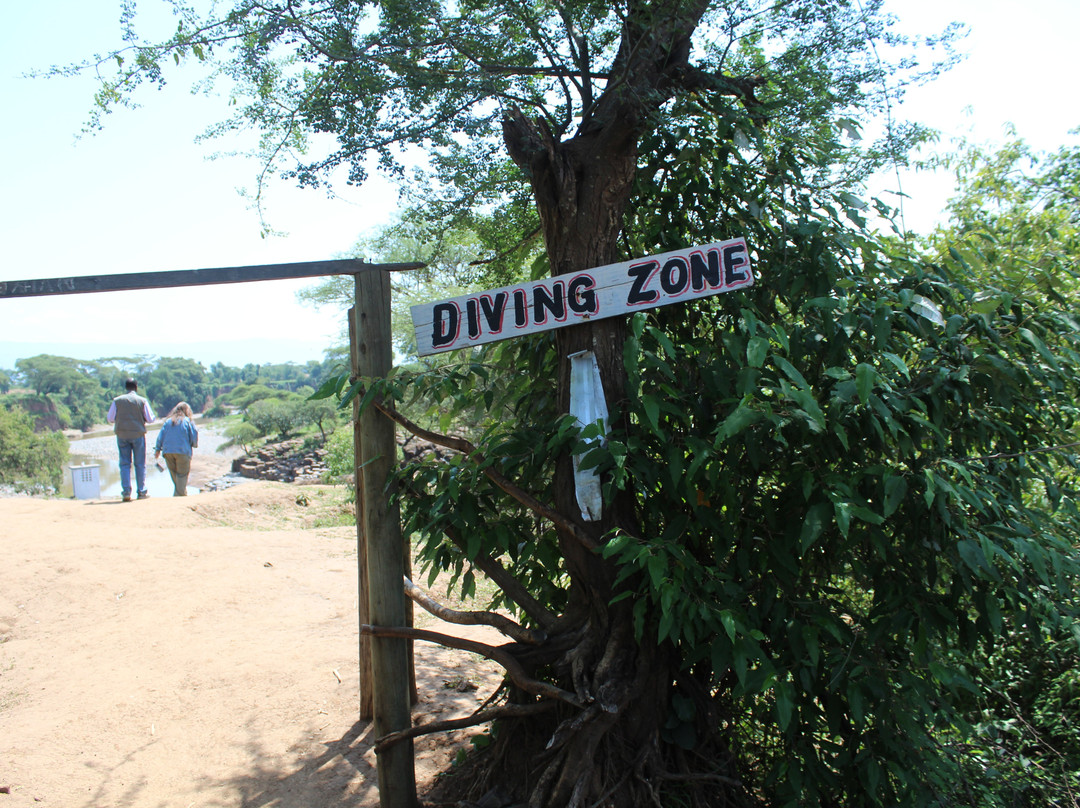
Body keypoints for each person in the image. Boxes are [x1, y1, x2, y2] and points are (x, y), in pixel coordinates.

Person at [107, 378, 155, 502]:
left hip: (122, 434)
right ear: (136, 387)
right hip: (138, 434)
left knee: (124, 464)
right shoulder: (142, 401)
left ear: (126, 387)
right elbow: (150, 419)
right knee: (140, 464)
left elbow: (110, 418)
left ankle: (126, 492)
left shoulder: (117, 401)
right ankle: (141, 491)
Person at [153, 402, 199, 497]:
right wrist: (194, 444)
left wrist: (157, 450)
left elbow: (160, 436)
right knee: (182, 475)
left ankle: (181, 494)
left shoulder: (168, 422)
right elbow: (194, 435)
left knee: (175, 475)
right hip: (183, 451)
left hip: (168, 452)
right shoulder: (188, 421)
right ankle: (179, 498)